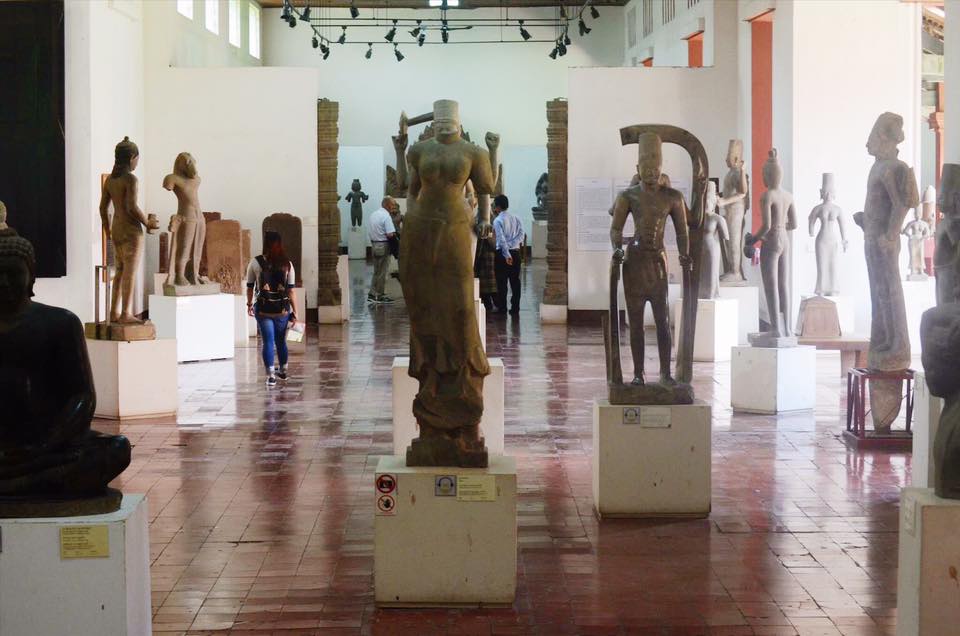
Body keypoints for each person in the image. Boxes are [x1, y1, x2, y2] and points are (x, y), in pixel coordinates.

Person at [246, 231, 297, 387]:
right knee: (281, 340)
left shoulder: (255, 263)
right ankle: (283, 371)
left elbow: (249, 287)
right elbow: (291, 290)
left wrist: (249, 304)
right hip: (282, 308)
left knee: (267, 341)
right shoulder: (287, 264)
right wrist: (295, 312)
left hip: (263, 308)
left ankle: (271, 376)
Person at [492, 194, 524, 315]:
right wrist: (511, 247)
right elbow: (521, 235)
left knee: (502, 282)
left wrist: (507, 254)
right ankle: (515, 308)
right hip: (516, 253)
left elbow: (500, 239)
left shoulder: (498, 220)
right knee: (515, 281)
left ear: (498, 207)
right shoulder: (517, 218)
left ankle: (503, 308)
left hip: (502, 255)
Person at [367, 197, 397, 303]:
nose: (394, 208)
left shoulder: (373, 214)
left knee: (376, 271)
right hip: (383, 246)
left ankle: (372, 293)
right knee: (382, 272)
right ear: (388, 205)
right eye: (393, 205)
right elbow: (390, 234)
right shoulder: (386, 216)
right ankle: (379, 295)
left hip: (374, 245)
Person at [474, 217, 498, 312]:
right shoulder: (492, 225)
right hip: (489, 258)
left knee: (487, 286)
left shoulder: (486, 227)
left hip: (486, 258)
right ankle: (494, 305)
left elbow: (487, 244)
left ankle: (490, 305)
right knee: (490, 286)